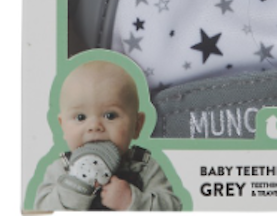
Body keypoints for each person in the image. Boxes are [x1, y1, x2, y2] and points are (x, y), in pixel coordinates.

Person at [34, 60, 182, 211]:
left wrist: (131, 200)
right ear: (63, 127)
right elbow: (42, 210)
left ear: (137, 125)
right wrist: (75, 187)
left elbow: (173, 208)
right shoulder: (61, 169)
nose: (94, 126)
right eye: (80, 117)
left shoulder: (144, 166)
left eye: (110, 115)